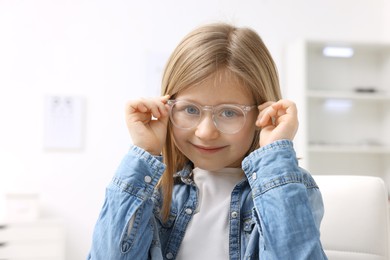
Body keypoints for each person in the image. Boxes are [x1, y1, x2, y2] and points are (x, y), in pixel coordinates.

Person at [87, 22, 327, 260]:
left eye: (229, 112)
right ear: (167, 108)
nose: (205, 132)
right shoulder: (154, 190)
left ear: (262, 113)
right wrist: (144, 151)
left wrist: (274, 156)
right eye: (190, 109)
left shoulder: (289, 189)